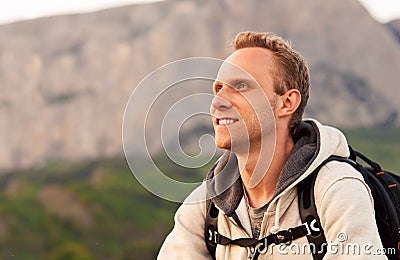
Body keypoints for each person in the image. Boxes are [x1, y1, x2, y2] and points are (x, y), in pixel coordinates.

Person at [157, 31, 386, 259]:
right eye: (218, 89)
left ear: (286, 103)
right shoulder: (205, 207)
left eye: (241, 86)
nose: (217, 102)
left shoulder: (336, 189)